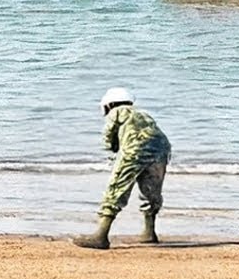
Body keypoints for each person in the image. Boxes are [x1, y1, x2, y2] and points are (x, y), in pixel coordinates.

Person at [73, 87, 172, 249]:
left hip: (135, 148)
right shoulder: (143, 114)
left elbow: (109, 136)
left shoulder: (117, 112)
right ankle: (149, 232)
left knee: (117, 188)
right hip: (161, 148)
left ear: (109, 104)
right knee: (151, 190)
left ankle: (101, 235)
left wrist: (113, 152)